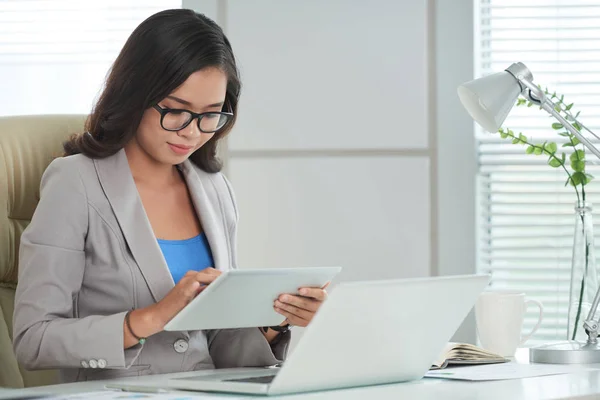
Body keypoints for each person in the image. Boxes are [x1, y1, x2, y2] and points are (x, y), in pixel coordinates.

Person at [12, 9, 328, 383]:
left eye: (211, 114)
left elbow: (220, 348)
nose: (192, 133)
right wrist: (151, 318)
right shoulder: (75, 182)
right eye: (176, 111)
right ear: (134, 94)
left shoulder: (214, 189)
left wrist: (276, 320)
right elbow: (33, 339)